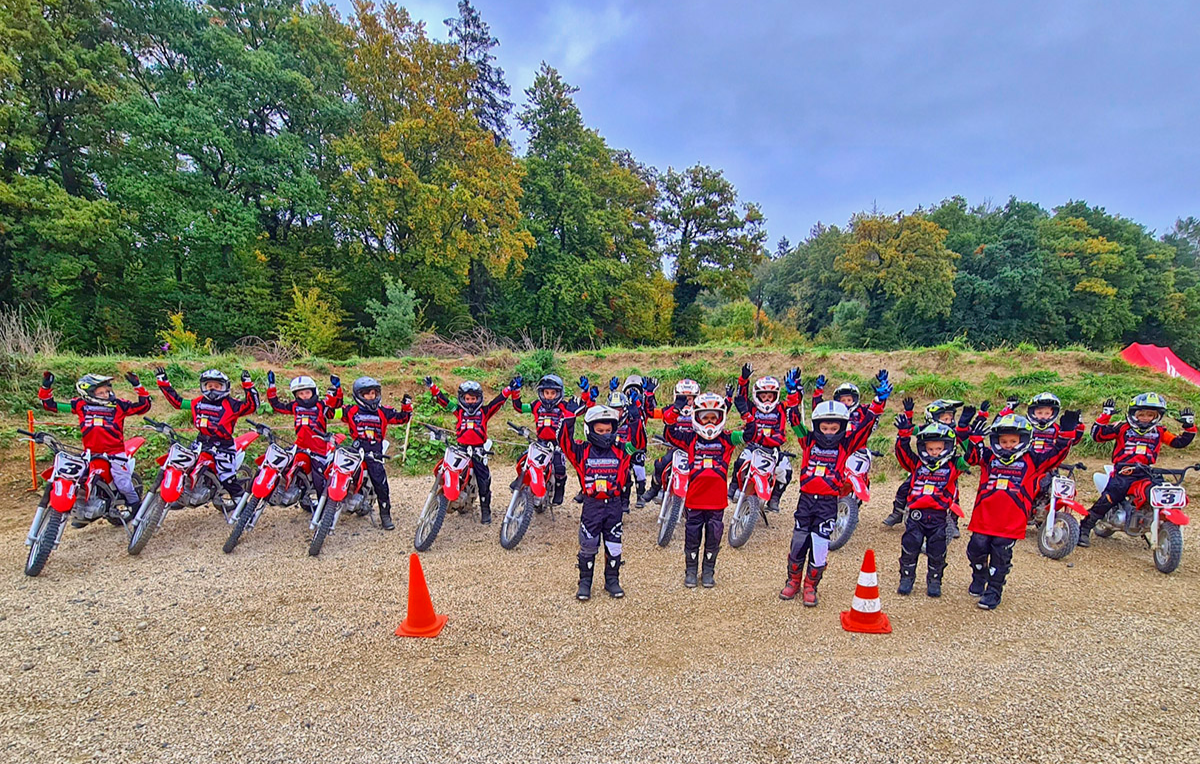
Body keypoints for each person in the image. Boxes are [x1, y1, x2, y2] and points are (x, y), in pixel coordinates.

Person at [779, 371, 879, 607]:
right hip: (806, 500)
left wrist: (877, 404)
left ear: (842, 427)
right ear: (818, 426)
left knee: (821, 545)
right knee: (798, 541)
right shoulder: (809, 440)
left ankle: (811, 585)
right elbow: (794, 422)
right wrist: (792, 394)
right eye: (825, 427)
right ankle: (793, 581)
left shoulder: (846, 444)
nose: (830, 432)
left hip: (827, 502)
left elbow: (865, 429)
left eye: (835, 428)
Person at [963, 412, 1076, 609]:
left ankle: (994, 590)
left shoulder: (1033, 459)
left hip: (1011, 520)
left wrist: (1066, 434)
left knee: (1000, 554)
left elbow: (1056, 455)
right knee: (976, 548)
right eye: (1004, 441)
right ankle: (979, 575)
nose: (1008, 445)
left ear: (1023, 440)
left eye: (1013, 441)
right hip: (984, 516)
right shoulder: (989, 457)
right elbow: (972, 458)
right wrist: (974, 438)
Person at [1078, 393, 1195, 547]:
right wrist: (1105, 415)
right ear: (1134, 414)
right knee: (1110, 497)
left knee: (1161, 491)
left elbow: (1178, 442)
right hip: (1123, 472)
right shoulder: (1122, 427)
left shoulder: (1160, 431)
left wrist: (1189, 426)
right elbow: (1098, 436)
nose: (1145, 418)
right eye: (1142, 414)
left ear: (1157, 416)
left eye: (1150, 415)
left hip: (1146, 473)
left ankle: (1151, 522)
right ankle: (1085, 528)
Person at [38, 370, 152, 519]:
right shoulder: (80, 405)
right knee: (78, 479)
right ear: (89, 394)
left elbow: (144, 406)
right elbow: (50, 405)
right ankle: (83, 510)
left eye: (107, 391)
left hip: (115, 453)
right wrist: (46, 387)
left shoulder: (119, 405)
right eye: (101, 393)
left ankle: (136, 506)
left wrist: (138, 385)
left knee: (123, 482)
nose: (106, 395)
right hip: (90, 453)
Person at [662, 392, 747, 588]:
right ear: (697, 417)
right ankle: (690, 571)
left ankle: (708, 571)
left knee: (714, 535)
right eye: (705, 417)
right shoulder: (690, 438)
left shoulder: (727, 438)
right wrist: (675, 409)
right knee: (692, 534)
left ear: (720, 418)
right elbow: (670, 433)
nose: (709, 422)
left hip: (716, 500)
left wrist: (745, 413)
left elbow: (750, 434)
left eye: (713, 417)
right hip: (694, 499)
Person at [559, 405, 635, 601]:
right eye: (600, 431)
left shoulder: (622, 449)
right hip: (592, 504)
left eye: (608, 430)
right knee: (588, 543)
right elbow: (564, 442)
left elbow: (638, 443)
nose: (605, 434)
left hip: (614, 504)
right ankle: (585, 582)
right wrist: (569, 417)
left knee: (614, 544)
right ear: (590, 430)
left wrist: (635, 420)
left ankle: (612, 580)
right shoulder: (582, 450)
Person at [155, 367, 259, 508]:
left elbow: (252, 406)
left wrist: (248, 385)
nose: (212, 389)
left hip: (223, 446)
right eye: (209, 386)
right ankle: (183, 491)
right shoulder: (197, 402)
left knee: (227, 477)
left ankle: (243, 510)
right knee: (184, 466)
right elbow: (178, 402)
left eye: (217, 386)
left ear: (225, 387)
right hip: (201, 442)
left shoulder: (232, 404)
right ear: (203, 386)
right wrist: (164, 383)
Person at [892, 419, 970, 597]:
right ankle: (906, 578)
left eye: (938, 449)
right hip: (916, 514)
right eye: (930, 449)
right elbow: (903, 454)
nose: (934, 453)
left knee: (937, 550)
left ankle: (935, 580)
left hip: (939, 516)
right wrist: (903, 435)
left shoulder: (954, 465)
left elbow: (972, 457)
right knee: (910, 546)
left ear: (947, 448)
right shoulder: (918, 464)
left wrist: (965, 434)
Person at [427, 375, 517, 525]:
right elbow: (444, 402)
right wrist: (432, 387)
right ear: (462, 399)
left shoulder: (484, 412)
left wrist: (509, 389)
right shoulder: (458, 411)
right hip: (461, 449)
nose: (471, 402)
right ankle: (444, 496)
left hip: (478, 451)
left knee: (484, 479)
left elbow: (498, 402)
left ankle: (485, 509)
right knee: (446, 469)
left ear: (479, 398)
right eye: (468, 399)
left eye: (474, 399)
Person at [337, 376, 412, 530]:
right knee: (337, 473)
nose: (371, 396)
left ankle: (385, 515)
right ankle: (330, 505)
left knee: (381, 483)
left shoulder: (384, 411)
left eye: (374, 393)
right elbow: (330, 413)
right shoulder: (350, 410)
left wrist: (406, 406)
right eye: (367, 394)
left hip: (375, 453)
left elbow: (402, 419)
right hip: (356, 451)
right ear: (359, 395)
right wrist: (336, 393)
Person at [266, 371, 344, 510]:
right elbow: (277, 406)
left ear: (313, 392)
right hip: (299, 446)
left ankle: (325, 510)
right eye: (300, 394)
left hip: (319, 449)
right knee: (282, 466)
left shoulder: (321, 406)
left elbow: (335, 406)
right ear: (295, 395)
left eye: (307, 393)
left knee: (319, 479)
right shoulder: (295, 406)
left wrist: (337, 389)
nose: (304, 396)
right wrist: (271, 386)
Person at [882, 398, 963, 527]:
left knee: (952, 494)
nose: (949, 421)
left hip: (948, 469)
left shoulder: (955, 433)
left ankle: (953, 524)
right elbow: (908, 429)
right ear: (932, 417)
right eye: (945, 419)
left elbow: (967, 446)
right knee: (905, 487)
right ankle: (898, 512)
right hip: (924, 466)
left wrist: (964, 461)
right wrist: (908, 416)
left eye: (951, 418)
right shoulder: (925, 429)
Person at [730, 362, 794, 512]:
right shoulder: (752, 408)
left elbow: (794, 402)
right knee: (740, 461)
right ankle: (733, 486)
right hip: (754, 446)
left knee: (786, 471)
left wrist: (794, 390)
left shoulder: (780, 409)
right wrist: (743, 380)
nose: (766, 399)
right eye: (763, 396)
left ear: (775, 396)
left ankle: (774, 499)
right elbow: (741, 397)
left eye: (769, 396)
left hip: (774, 449)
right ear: (757, 395)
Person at [510, 374, 581, 506]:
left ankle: (559, 490)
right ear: (541, 392)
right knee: (523, 459)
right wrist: (515, 391)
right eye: (546, 392)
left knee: (560, 468)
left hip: (558, 445)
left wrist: (587, 394)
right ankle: (521, 479)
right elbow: (519, 407)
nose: (549, 396)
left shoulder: (564, 406)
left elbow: (583, 409)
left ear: (559, 393)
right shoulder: (536, 405)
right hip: (540, 442)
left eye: (553, 393)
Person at [639, 378, 700, 504]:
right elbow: (651, 413)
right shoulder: (670, 409)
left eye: (690, 398)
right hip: (675, 447)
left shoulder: (701, 411)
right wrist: (649, 394)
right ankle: (654, 489)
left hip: (696, 449)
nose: (686, 401)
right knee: (660, 464)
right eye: (682, 398)